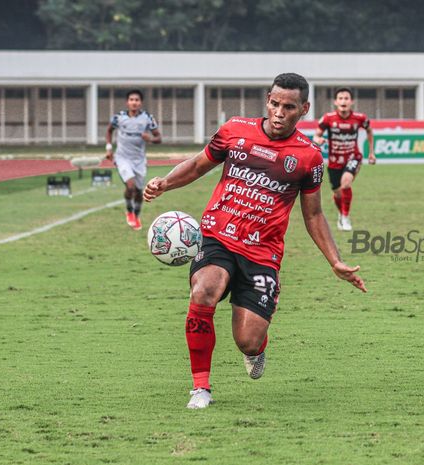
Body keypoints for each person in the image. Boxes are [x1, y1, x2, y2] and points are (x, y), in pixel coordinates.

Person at [144, 73, 367, 410]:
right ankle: (200, 388)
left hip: (262, 253)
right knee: (204, 290)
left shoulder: (308, 157)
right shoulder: (235, 130)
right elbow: (198, 165)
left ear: (303, 109)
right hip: (217, 235)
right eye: (274, 103)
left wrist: (334, 260)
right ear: (267, 100)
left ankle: (258, 349)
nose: (279, 112)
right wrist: (166, 183)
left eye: (289, 107)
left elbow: (313, 215)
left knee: (247, 341)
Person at [313, 88, 376, 232]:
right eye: (340, 98)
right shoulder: (328, 118)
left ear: (351, 102)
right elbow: (316, 136)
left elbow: (369, 130)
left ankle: (346, 217)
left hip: (353, 157)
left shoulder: (360, 118)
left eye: (346, 98)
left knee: (346, 183)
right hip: (334, 162)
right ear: (335, 102)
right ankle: (341, 214)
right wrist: (319, 140)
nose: (343, 101)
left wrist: (371, 152)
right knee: (338, 193)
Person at [105, 89, 162, 230]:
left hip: (139, 160)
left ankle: (136, 215)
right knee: (130, 186)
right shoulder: (118, 117)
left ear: (140, 102)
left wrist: (151, 139)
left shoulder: (148, 118)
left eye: (137, 100)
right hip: (122, 157)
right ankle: (129, 211)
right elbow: (109, 130)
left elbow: (158, 138)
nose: (134, 102)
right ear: (127, 102)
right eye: (131, 100)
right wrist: (108, 147)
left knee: (138, 191)